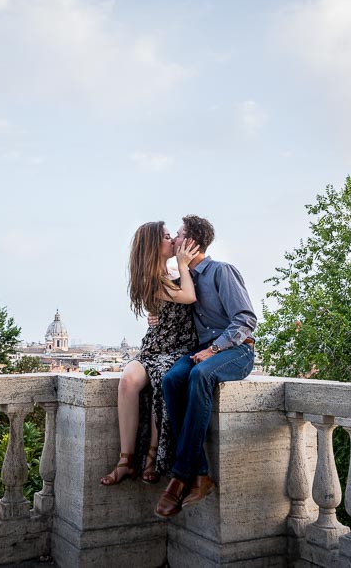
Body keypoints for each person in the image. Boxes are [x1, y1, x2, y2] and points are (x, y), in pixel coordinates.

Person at [154, 214, 257, 518]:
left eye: (179, 233)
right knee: (172, 380)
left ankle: (180, 476)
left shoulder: (221, 272)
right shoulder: (185, 277)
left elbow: (246, 319)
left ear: (192, 241)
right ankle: (200, 473)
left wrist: (214, 349)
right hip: (201, 350)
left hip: (236, 351)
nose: (173, 238)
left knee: (199, 375)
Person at [100, 221, 200, 486]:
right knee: (127, 381)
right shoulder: (150, 277)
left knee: (160, 381)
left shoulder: (169, 271)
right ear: (154, 245)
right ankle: (126, 460)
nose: (172, 241)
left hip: (180, 347)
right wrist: (181, 265)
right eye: (167, 237)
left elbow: (188, 297)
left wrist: (181, 266)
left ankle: (153, 456)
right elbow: (187, 297)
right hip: (156, 345)